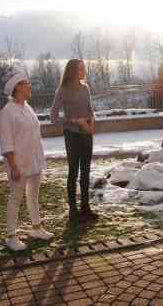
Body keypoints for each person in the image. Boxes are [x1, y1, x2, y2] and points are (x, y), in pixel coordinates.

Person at [0, 73, 53, 251]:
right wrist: (13, 166)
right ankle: (11, 236)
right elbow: (6, 143)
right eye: (26, 84)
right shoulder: (7, 112)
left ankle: (36, 228)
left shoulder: (27, 107)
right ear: (18, 87)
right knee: (15, 198)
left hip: (34, 160)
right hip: (19, 164)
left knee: (33, 196)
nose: (30, 86)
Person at [50, 59, 98, 223]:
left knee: (86, 172)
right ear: (72, 71)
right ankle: (73, 211)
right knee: (74, 172)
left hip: (87, 134)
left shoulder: (85, 88)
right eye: (80, 69)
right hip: (72, 135)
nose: (84, 71)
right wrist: (74, 121)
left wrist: (92, 121)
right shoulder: (63, 90)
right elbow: (53, 117)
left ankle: (85, 208)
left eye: (83, 69)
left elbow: (90, 110)